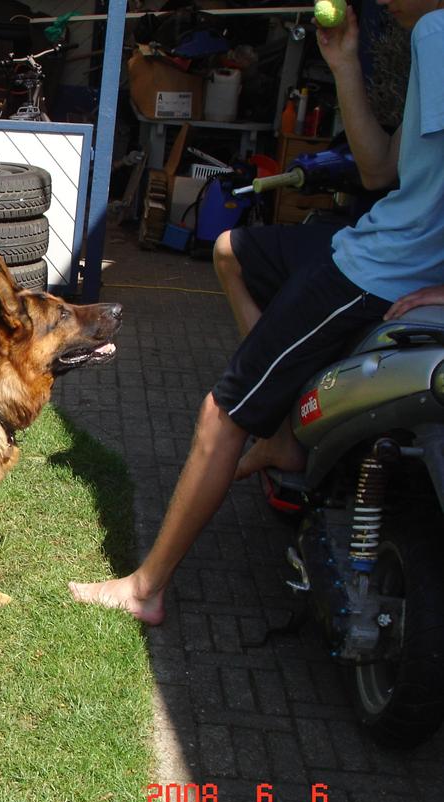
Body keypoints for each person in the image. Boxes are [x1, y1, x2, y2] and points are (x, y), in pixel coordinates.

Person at [69, 0, 444, 624]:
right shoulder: (423, 40)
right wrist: (344, 62)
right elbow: (381, 170)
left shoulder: (437, 30)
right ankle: (283, 433)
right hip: (372, 239)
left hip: (378, 271)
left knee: (220, 418)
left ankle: (145, 590)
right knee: (232, 250)